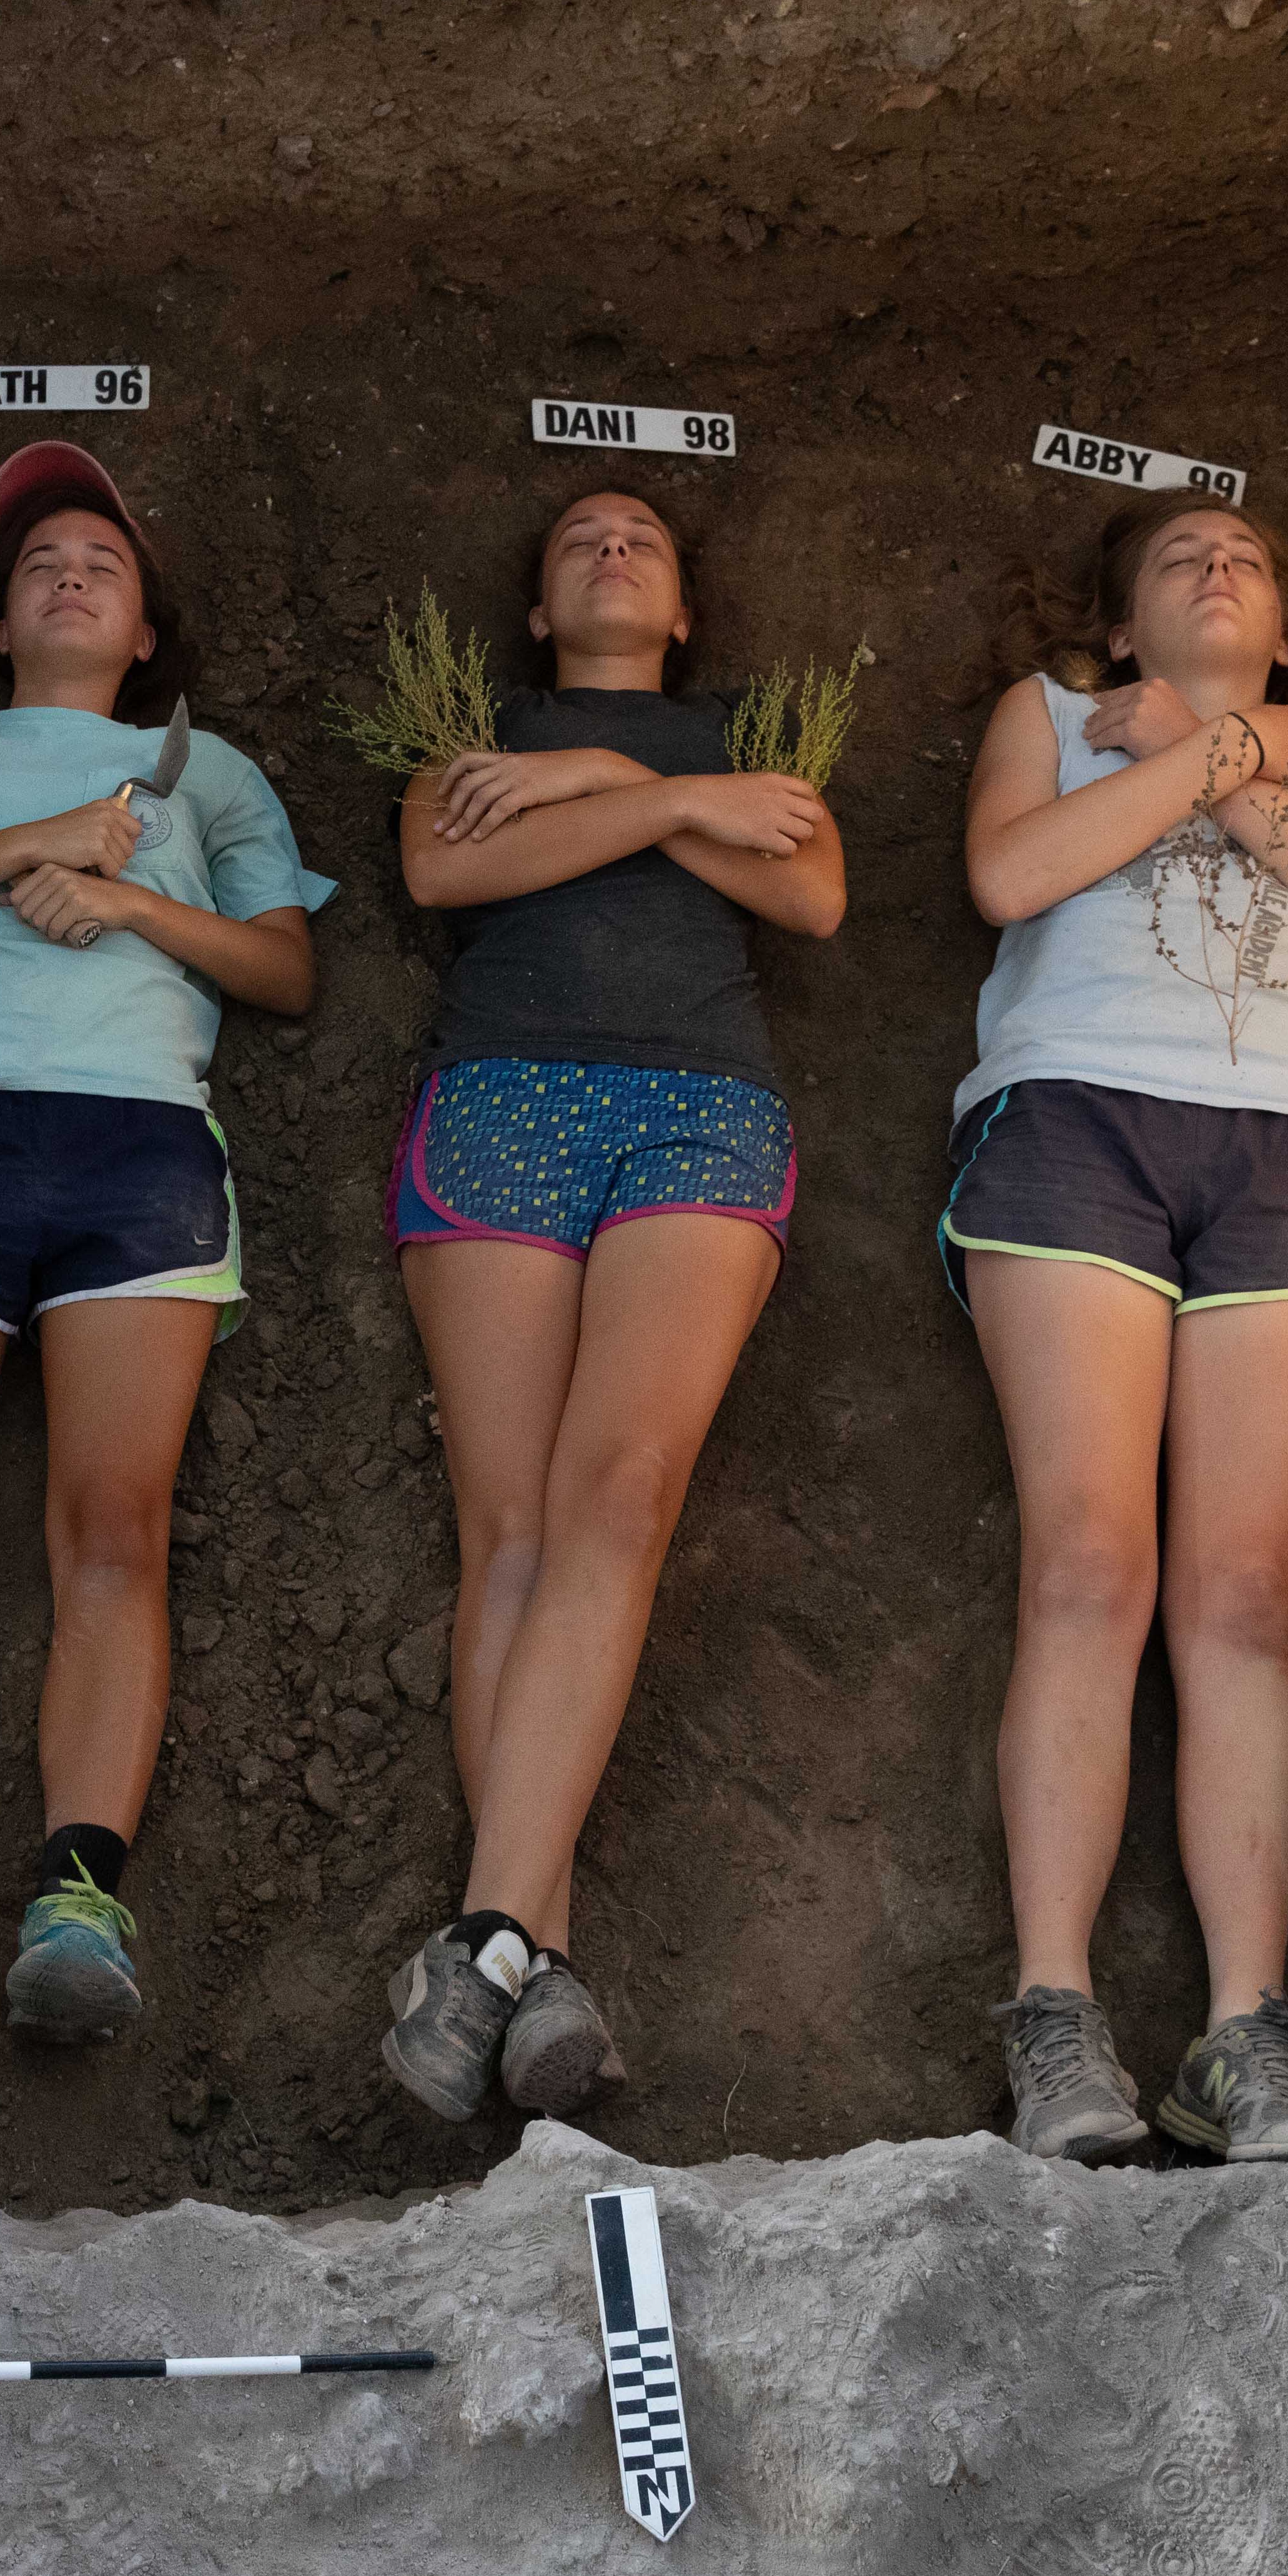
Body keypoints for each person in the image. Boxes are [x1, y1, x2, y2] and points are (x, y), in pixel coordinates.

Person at [0, 442, 326, 2046]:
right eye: (39, 562)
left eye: (103, 559)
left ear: (145, 629)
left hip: (139, 1150)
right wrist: (38, 856)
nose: (71, 571)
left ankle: (79, 1897)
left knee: (117, 1526)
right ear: (4, 619)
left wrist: (144, 903)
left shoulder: (205, 774)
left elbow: (286, 971)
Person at [949, 493, 1288, 2168]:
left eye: (1246, 557)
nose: (1218, 564)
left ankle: (1244, 2036)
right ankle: (1054, 2016)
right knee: (1089, 1564)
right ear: (1116, 627)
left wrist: (1217, 754)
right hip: (1073, 1116)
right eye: (1178, 556)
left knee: (1243, 1598)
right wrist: (1220, 756)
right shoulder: (1051, 721)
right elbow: (1012, 871)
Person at [374, 489, 846, 2124]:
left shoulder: (757, 732)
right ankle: (537, 1963)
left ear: (690, 611)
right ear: (534, 605)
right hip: (499, 1101)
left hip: (701, 1110)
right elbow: (445, 863)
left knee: (620, 1503)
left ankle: (481, 1934)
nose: (610, 545)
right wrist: (675, 805)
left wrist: (594, 789)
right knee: (506, 1533)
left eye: (642, 533)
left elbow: (811, 894)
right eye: (577, 533)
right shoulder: (469, 724)